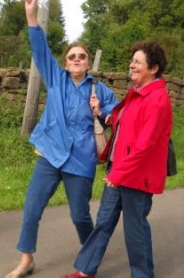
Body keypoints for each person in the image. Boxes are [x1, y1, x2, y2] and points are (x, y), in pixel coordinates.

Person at [4, 0, 118, 278]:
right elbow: (40, 48)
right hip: (50, 154)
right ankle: (26, 260)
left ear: (88, 62)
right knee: (32, 210)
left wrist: (101, 112)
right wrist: (31, 16)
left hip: (81, 160)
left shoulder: (100, 90)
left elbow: (120, 118)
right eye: (72, 56)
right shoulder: (56, 78)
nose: (77, 60)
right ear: (66, 62)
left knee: (80, 215)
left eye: (82, 56)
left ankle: (90, 253)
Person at [61, 40, 173, 278]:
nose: (131, 65)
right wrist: (103, 114)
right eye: (132, 61)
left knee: (136, 229)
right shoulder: (137, 92)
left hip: (136, 175)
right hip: (119, 170)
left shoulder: (157, 99)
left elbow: (145, 145)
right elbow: (124, 123)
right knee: (103, 222)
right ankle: (85, 270)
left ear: (153, 69)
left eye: (137, 62)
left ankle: (143, 275)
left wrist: (119, 174)